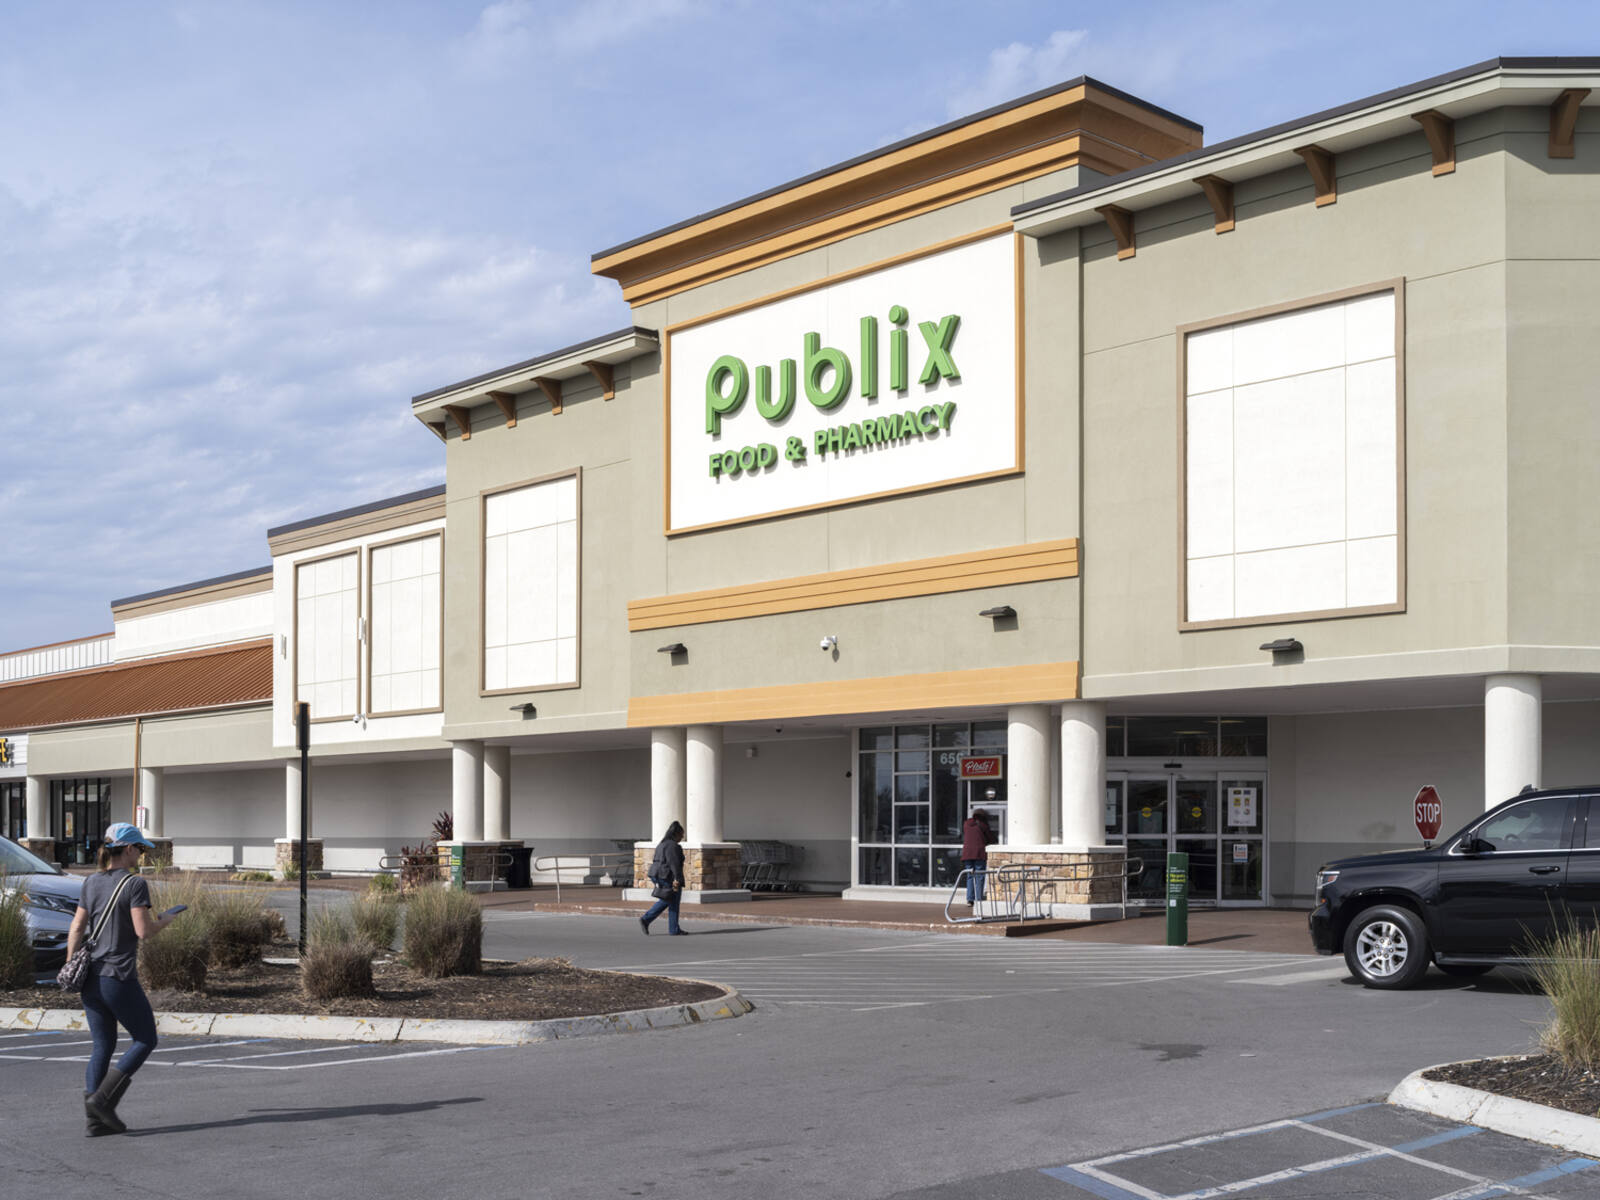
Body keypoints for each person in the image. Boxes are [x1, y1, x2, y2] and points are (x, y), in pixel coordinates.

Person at [66, 822, 183, 1137]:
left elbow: (77, 928)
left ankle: (94, 1121)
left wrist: (70, 965)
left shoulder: (90, 882)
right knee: (146, 1039)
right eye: (140, 849)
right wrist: (165, 922)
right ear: (128, 849)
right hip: (117, 976)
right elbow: (143, 932)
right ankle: (102, 1102)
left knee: (102, 1044)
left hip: (90, 976)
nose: (141, 855)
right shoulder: (135, 884)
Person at [639, 820, 688, 936]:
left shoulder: (662, 844)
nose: (682, 837)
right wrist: (678, 879)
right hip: (667, 876)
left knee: (670, 899)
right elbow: (674, 864)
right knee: (671, 900)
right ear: (676, 834)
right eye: (681, 834)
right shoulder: (673, 846)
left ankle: (673, 928)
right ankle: (646, 919)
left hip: (658, 874)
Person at [961, 809, 996, 905]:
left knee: (970, 876)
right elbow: (990, 838)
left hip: (967, 854)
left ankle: (969, 899)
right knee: (979, 876)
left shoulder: (966, 824)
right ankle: (979, 899)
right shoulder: (983, 825)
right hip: (979, 853)